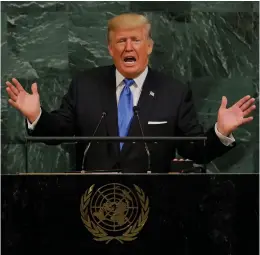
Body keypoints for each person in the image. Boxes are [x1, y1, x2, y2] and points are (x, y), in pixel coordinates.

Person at [5, 13, 256, 173]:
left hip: (155, 206)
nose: (128, 47)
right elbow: (57, 132)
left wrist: (220, 132)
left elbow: (195, 150)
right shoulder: (85, 86)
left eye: (135, 40)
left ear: (148, 47)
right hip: (91, 204)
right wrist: (36, 115)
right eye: (121, 41)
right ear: (110, 48)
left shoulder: (173, 92)